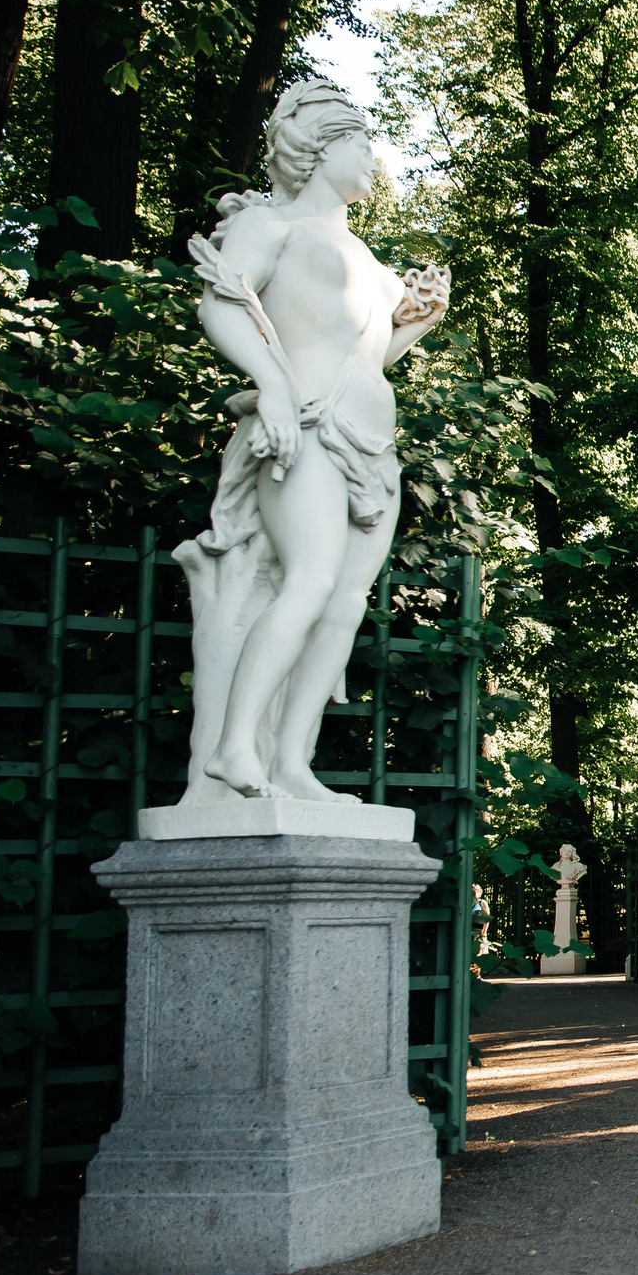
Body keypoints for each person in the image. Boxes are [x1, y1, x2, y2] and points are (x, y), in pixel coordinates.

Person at [183, 78, 448, 803]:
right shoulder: (270, 226)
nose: (373, 158)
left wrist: (417, 321)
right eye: (362, 142)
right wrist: (268, 383)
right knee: (308, 577)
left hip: (371, 440)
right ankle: (235, 744)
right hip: (305, 426)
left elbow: (372, 355)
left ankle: (289, 762)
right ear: (320, 146)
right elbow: (223, 306)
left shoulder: (362, 253)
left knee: (345, 600)